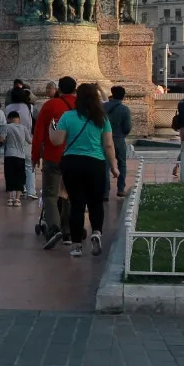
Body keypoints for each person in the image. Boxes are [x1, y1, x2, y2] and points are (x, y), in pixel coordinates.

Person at [49, 83, 117, 258]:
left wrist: (52, 128)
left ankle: (77, 245)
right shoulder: (102, 118)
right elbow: (108, 144)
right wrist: (114, 166)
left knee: (77, 204)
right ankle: (96, 232)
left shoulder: (68, 116)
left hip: (72, 162)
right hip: (95, 162)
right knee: (95, 202)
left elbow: (57, 141)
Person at [33, 77, 78, 249]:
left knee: (50, 196)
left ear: (59, 88)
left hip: (53, 156)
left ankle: (53, 227)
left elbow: (39, 134)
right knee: (69, 194)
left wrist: (35, 155)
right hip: (75, 156)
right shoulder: (82, 107)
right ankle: (67, 231)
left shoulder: (50, 105)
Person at [4, 87, 38, 199]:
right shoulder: (30, 107)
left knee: (13, 169)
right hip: (26, 139)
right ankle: (31, 191)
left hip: (11, 141)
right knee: (29, 166)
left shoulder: (8, 108)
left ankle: (18, 190)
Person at [103, 86, 132, 198]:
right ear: (123, 96)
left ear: (112, 94)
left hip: (105, 138)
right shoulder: (124, 109)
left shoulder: (103, 107)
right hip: (119, 138)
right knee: (122, 164)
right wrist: (122, 134)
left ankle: (105, 192)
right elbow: (128, 126)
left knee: (105, 165)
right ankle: (120, 188)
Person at [1, 110, 32, 207]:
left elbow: (1, 139)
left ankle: (10, 198)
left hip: (9, 155)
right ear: (18, 119)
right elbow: (29, 141)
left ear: (9, 119)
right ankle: (18, 199)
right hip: (21, 156)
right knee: (20, 177)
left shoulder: (7, 127)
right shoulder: (24, 128)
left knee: (10, 176)